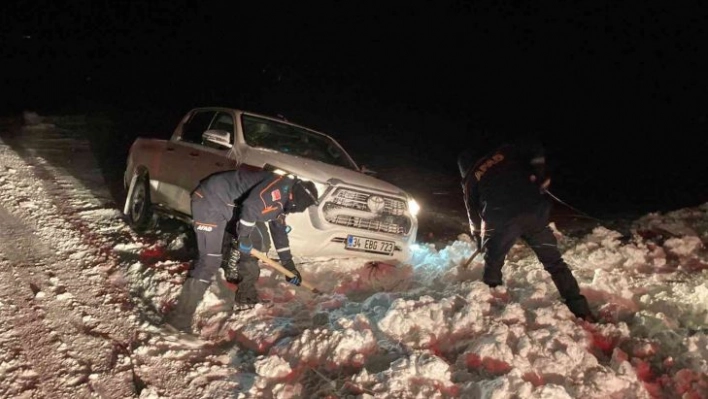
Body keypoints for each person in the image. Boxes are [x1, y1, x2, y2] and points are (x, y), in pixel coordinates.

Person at [458, 137, 596, 322]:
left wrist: (480, 240)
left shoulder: (469, 180)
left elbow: (473, 216)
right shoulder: (504, 151)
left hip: (502, 220)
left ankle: (491, 311)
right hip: (534, 212)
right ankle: (581, 309)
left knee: (493, 262)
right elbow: (535, 146)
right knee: (555, 263)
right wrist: (539, 171)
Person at [165, 168, 319, 333]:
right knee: (210, 261)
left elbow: (279, 231)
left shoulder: (285, 199)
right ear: (295, 199)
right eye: (299, 208)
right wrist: (243, 237)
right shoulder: (279, 188)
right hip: (210, 200)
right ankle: (178, 321)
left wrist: (288, 265)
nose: (297, 211)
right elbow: (251, 207)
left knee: (255, 241)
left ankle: (246, 296)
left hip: (230, 206)